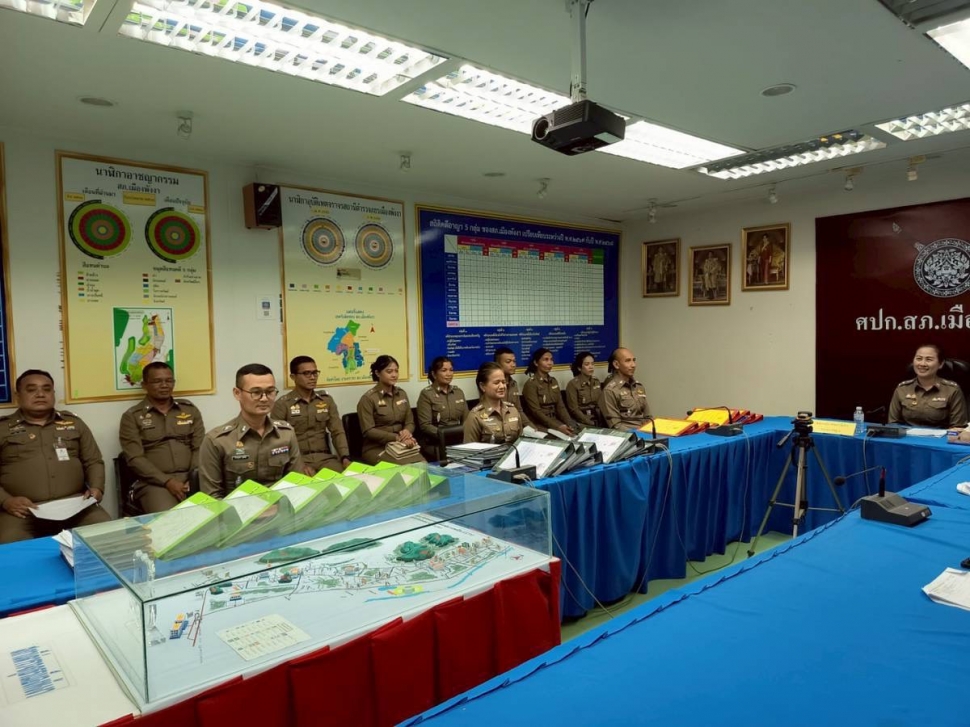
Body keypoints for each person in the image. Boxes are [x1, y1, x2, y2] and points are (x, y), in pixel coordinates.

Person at [0, 369, 111, 543]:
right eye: (31, 390)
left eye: (46, 389)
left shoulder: (74, 423)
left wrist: (97, 488)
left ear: (53, 393)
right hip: (23, 511)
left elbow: (94, 461)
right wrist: (6, 501)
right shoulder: (3, 429)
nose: (40, 394)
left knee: (107, 536)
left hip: (76, 506)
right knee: (12, 547)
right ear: (18, 395)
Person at [199, 363, 303, 499]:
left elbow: (296, 485)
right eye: (256, 392)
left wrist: (279, 508)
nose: (264, 398)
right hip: (237, 510)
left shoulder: (286, 433)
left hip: (280, 508)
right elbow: (212, 498)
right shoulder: (217, 441)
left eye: (270, 391)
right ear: (237, 393)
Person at [119, 362, 205, 513]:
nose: (164, 385)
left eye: (169, 380)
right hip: (154, 483)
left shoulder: (189, 410)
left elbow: (200, 447)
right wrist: (168, 481)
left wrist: (193, 477)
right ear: (144, 385)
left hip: (192, 477)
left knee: (215, 513)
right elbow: (135, 459)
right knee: (170, 519)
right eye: (157, 381)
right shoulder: (132, 416)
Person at [272, 356, 351, 475]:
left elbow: (337, 431)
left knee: (347, 480)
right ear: (293, 377)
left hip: (325, 458)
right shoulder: (283, 404)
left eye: (315, 373)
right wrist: (298, 464)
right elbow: (277, 441)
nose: (312, 377)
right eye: (306, 373)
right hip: (297, 460)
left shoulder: (326, 400)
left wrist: (345, 457)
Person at [357, 355, 425, 465]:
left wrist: (407, 432)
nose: (394, 375)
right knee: (406, 467)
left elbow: (410, 422)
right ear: (377, 373)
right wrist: (396, 437)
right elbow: (368, 431)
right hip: (376, 447)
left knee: (422, 464)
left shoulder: (401, 394)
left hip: (402, 444)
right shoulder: (368, 398)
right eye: (389, 371)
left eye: (396, 371)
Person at [888, 345, 968, 428]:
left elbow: (958, 428)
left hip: (941, 435)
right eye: (919, 359)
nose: (922, 364)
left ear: (940, 364)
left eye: (929, 359)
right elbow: (893, 424)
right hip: (906, 435)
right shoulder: (902, 388)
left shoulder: (952, 390)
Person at [415, 356, 469, 461]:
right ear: (434, 374)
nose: (449, 374)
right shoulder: (426, 394)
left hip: (459, 440)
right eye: (444, 370)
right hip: (437, 442)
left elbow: (467, 420)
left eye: (451, 370)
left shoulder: (458, 392)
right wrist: (446, 435)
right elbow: (425, 426)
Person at [464, 362, 523, 444]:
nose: (502, 386)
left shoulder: (512, 411)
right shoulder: (475, 416)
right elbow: (470, 450)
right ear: (482, 386)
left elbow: (521, 442)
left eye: (503, 382)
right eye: (496, 383)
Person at [521, 348, 576, 435]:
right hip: (540, 425)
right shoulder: (531, 384)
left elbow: (560, 407)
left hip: (556, 421)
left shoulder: (553, 381)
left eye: (551, 359)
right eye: (546, 360)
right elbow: (536, 412)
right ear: (536, 363)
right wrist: (557, 427)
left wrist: (570, 423)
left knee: (576, 433)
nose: (550, 363)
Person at [599, 348, 651, 431]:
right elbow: (616, 425)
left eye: (634, 360)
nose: (633, 365)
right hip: (627, 435)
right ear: (616, 364)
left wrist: (649, 431)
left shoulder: (638, 387)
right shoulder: (610, 391)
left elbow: (648, 417)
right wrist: (637, 434)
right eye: (628, 361)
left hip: (645, 432)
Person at [493, 346, 532, 428]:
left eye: (514, 361)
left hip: (515, 425)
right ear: (497, 364)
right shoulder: (492, 386)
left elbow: (519, 410)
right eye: (508, 362)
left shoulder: (513, 384)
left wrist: (531, 427)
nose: (513, 365)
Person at [565, 351, 604, 427]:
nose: (591, 367)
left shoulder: (596, 382)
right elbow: (574, 409)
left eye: (592, 364)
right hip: (582, 421)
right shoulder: (573, 384)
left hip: (598, 419)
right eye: (587, 364)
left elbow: (601, 404)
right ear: (579, 368)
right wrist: (590, 423)